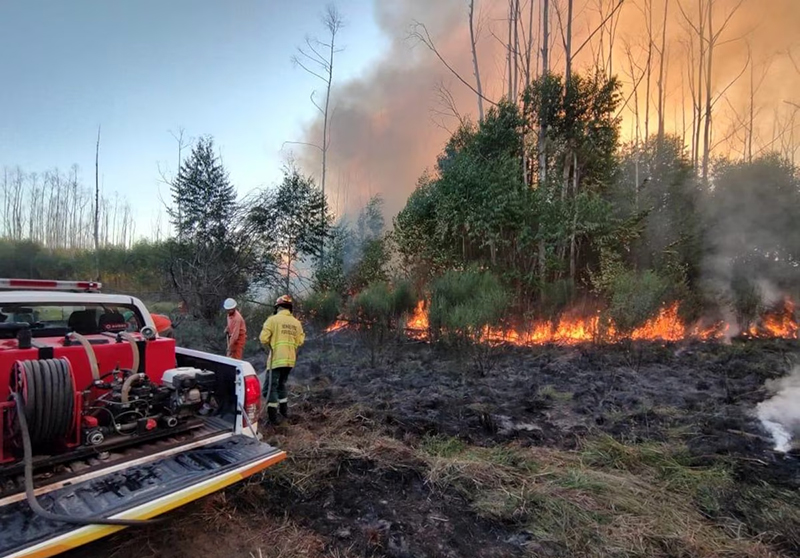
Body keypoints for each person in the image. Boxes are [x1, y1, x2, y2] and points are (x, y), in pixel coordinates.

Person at [259, 294, 305, 424]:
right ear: (290, 308)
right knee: (281, 385)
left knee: (269, 388)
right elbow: (300, 341)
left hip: (276, 360)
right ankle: (284, 412)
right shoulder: (297, 323)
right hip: (290, 360)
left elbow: (263, 338)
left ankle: (273, 419)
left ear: (278, 307)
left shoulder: (272, 320)